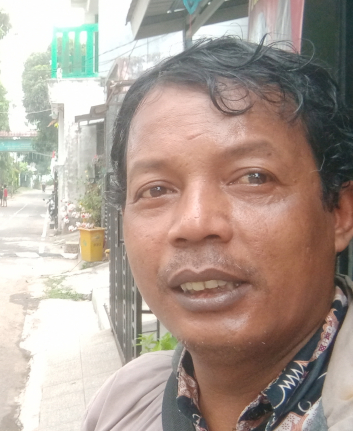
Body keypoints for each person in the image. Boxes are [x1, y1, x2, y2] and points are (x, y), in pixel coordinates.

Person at [83, 37, 353, 431]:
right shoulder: (124, 404)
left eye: (253, 177)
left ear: (340, 213)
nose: (194, 224)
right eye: (155, 190)